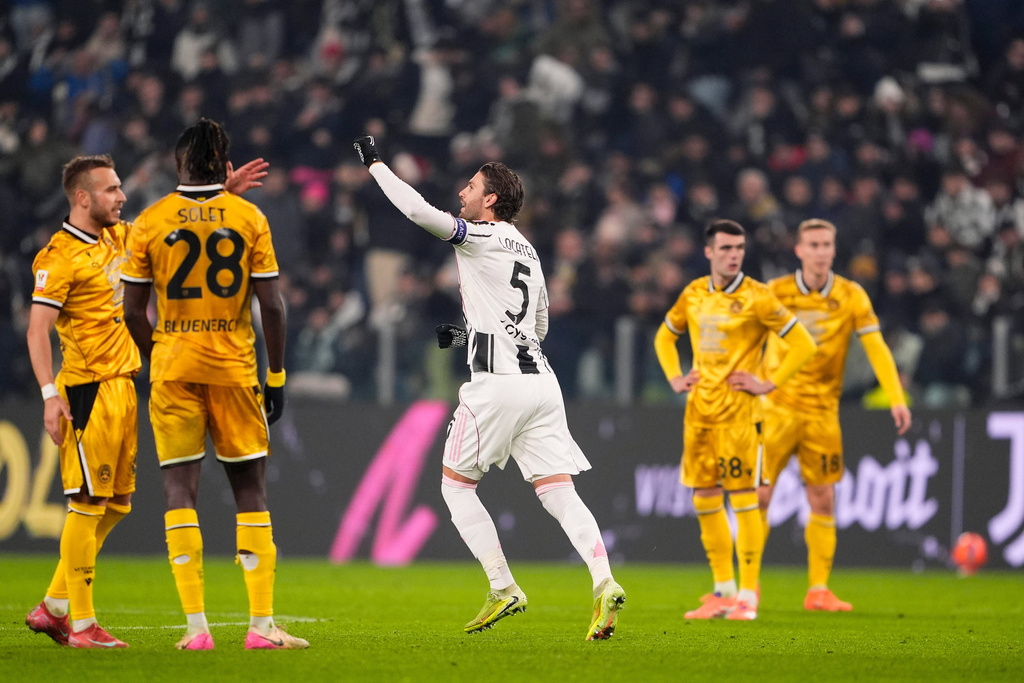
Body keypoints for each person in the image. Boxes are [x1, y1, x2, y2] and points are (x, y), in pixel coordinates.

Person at [353, 134, 626, 641]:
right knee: (558, 490)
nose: (462, 191)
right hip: (543, 385)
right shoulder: (529, 250)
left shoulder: (479, 235)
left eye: (472, 186)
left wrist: (375, 165)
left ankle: (503, 587)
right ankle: (604, 580)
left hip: (497, 386)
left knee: (455, 485)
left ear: (491, 201)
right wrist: (470, 334)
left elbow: (417, 211)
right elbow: (536, 325)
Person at [25, 153, 269, 649]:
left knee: (116, 504)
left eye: (120, 187)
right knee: (88, 503)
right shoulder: (57, 256)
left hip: (125, 386)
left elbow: (172, 224)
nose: (122, 196)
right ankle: (81, 624)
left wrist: (223, 194)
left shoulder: (118, 237)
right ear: (82, 197)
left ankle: (53, 605)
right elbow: (37, 330)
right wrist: (50, 395)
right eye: (111, 189)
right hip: (87, 389)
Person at [122, 118, 306, 651]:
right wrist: (276, 374)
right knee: (250, 490)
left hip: (173, 371)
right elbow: (272, 304)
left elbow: (133, 311)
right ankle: (261, 626)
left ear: (176, 164)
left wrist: (163, 351)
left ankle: (196, 629)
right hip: (232, 369)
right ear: (225, 166)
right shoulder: (248, 216)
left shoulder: (149, 222)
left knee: (180, 490)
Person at [654, 219, 817, 621]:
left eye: (739, 248)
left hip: (741, 417)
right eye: (725, 248)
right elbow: (664, 336)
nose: (733, 255)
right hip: (699, 415)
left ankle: (748, 594)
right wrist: (676, 377)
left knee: (744, 501)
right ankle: (723, 590)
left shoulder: (758, 297)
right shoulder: (693, 293)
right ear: (709, 252)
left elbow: (803, 343)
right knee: (705, 498)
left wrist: (769, 383)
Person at [758, 218, 911, 611]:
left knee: (823, 498)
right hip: (774, 410)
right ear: (799, 249)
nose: (821, 251)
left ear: (833, 249)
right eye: (813, 244)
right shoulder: (775, 292)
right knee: (757, 496)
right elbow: (746, 339)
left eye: (827, 244)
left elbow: (876, 347)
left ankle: (818, 590)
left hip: (822, 413)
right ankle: (747, 587)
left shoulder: (850, 294)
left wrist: (895, 396)